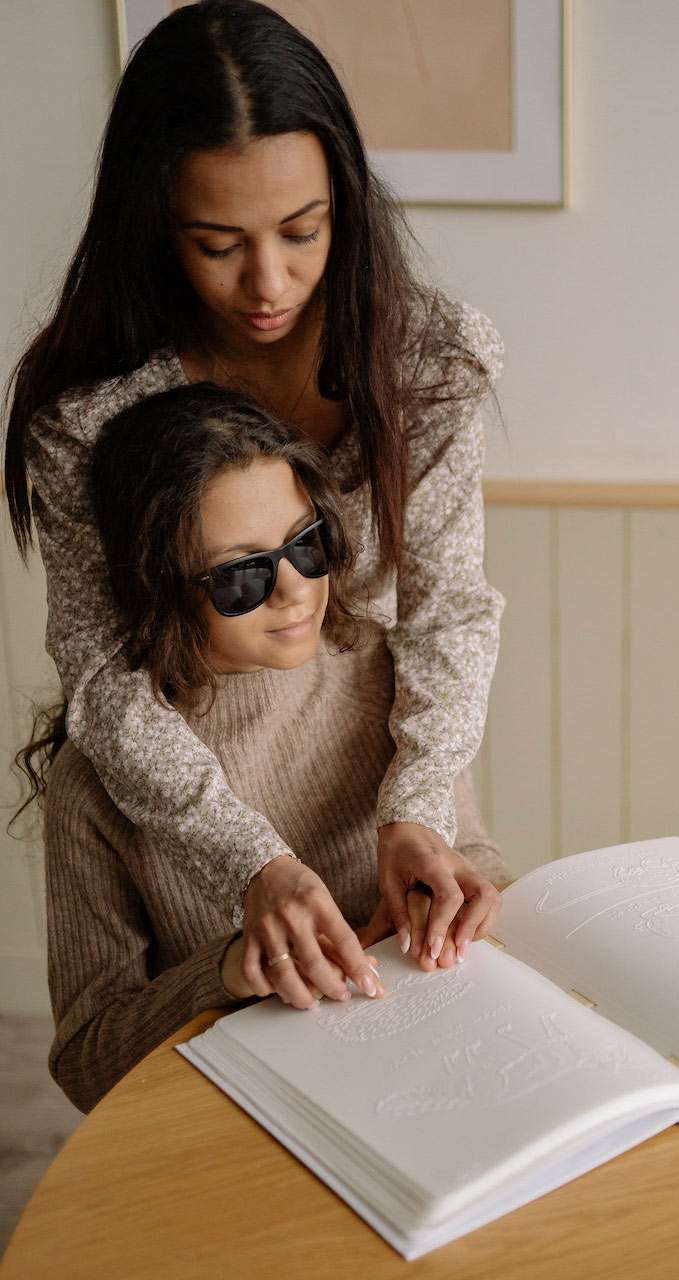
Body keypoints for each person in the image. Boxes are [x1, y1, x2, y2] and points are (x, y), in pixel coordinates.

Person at [2, 0, 506, 1006]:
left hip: (370, 752)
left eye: (302, 230)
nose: (267, 281)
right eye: (216, 241)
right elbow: (104, 675)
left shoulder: (425, 362)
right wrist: (250, 862)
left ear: (345, 208)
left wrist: (419, 808)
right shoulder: (90, 414)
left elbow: (449, 607)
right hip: (191, 806)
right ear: (155, 226)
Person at [17, 384, 508, 1113]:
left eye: (309, 545)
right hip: (248, 1118)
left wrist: (463, 896)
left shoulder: (384, 676)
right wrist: (227, 974)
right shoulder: (101, 779)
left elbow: (474, 853)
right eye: (241, 575)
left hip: (428, 1068)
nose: (295, 590)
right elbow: (88, 1063)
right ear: (157, 586)